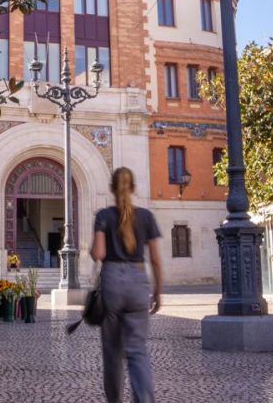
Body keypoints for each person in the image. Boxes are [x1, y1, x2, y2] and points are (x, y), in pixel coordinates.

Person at [90, 167, 162, 403]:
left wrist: (95, 248)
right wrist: (158, 291)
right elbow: (155, 259)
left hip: (112, 282)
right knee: (137, 351)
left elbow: (98, 253)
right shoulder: (146, 217)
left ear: (112, 188)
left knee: (112, 353)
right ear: (133, 188)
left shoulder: (103, 216)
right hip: (139, 283)